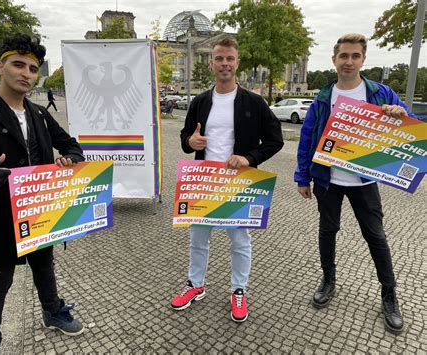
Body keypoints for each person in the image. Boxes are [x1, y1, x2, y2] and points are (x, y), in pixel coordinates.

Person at [0, 33, 85, 355]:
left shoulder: (39, 113)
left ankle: (52, 312)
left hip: (39, 213)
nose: (26, 73)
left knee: (44, 266)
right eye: (18, 65)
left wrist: (71, 160)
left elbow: (71, 145)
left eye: (33, 68)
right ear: (1, 67)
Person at [294, 33, 418, 335]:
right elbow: (307, 137)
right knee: (328, 230)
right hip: (327, 180)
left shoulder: (380, 93)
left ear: (363, 59)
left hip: (364, 182)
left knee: (376, 236)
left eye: (355, 56)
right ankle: (328, 280)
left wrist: (400, 115)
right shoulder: (324, 97)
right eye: (343, 56)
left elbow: (412, 126)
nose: (348, 61)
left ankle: (389, 294)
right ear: (334, 60)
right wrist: (302, 176)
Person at [172, 37, 284, 322]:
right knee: (198, 239)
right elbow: (185, 138)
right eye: (219, 58)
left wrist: (249, 158)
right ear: (211, 62)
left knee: (240, 241)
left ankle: (238, 290)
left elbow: (275, 140)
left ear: (237, 63)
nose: (224, 63)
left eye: (229, 59)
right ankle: (195, 285)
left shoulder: (254, 102)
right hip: (203, 182)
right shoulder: (200, 101)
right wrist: (191, 141)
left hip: (237, 183)